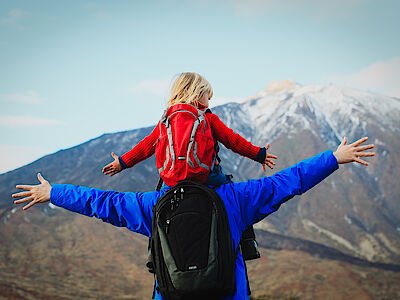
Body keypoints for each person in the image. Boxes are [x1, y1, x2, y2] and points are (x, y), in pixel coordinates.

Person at [12, 137, 375, 300]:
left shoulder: (155, 204)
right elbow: (288, 181)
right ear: (213, 161)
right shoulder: (236, 198)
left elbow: (102, 202)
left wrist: (53, 192)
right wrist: (333, 157)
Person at [102, 72, 277, 259]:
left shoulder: (166, 120)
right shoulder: (208, 118)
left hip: (172, 180)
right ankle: (248, 243)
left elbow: (146, 146)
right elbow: (232, 140)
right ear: (197, 93)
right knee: (235, 197)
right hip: (206, 176)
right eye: (208, 96)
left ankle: (154, 252)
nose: (209, 102)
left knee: (159, 207)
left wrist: (122, 163)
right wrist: (258, 154)